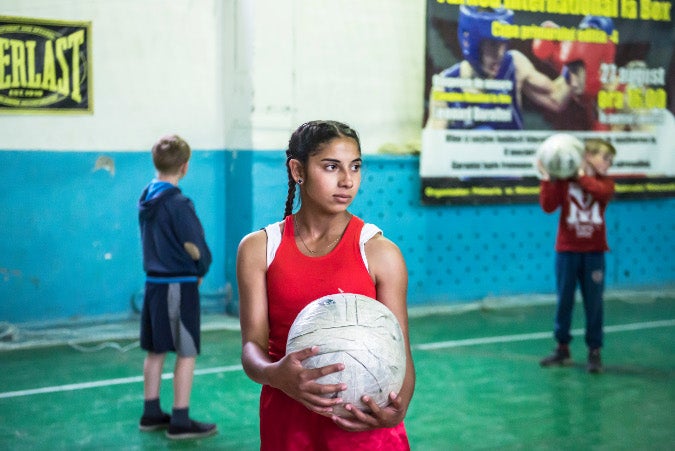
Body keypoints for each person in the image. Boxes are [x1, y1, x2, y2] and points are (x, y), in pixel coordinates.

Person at [236, 120, 415, 450]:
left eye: (355, 167)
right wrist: (276, 374)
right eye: (331, 166)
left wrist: (395, 410)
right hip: (289, 424)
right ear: (297, 170)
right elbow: (252, 349)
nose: (347, 181)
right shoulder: (259, 249)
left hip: (363, 430)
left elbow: (401, 355)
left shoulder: (381, 253)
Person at [137, 134, 217, 439]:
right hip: (178, 287)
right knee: (186, 352)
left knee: (155, 351)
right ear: (184, 167)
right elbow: (194, 245)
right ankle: (180, 420)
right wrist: (201, 268)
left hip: (153, 286)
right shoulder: (178, 203)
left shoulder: (146, 197)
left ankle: (151, 412)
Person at [537, 138, 617, 373]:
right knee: (564, 301)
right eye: (605, 157)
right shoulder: (564, 182)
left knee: (594, 304)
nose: (609, 163)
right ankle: (562, 348)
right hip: (567, 251)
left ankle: (594, 351)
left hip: (594, 253)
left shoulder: (606, 183)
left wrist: (579, 173)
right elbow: (548, 206)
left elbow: (600, 193)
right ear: (588, 155)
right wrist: (547, 178)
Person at [426, 5, 573, 130]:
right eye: (493, 45)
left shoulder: (514, 65)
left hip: (511, 162)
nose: (500, 54)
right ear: (471, 43)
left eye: (503, 44)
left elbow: (556, 100)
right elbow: (434, 146)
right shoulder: (446, 85)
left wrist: (574, 61)